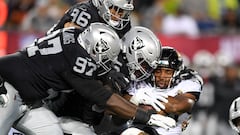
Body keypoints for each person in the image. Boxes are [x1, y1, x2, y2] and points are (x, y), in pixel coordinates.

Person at [0, 23, 176, 135]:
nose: (106, 65)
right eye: (105, 59)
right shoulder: (77, 60)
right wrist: (147, 117)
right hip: (7, 88)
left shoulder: (75, 35)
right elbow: (100, 95)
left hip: (30, 101)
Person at [120, 46, 203, 135]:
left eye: (167, 71)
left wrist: (137, 101)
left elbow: (176, 106)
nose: (162, 76)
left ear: (177, 72)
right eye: (158, 71)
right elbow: (118, 107)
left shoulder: (187, 83)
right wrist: (134, 101)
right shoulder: (141, 82)